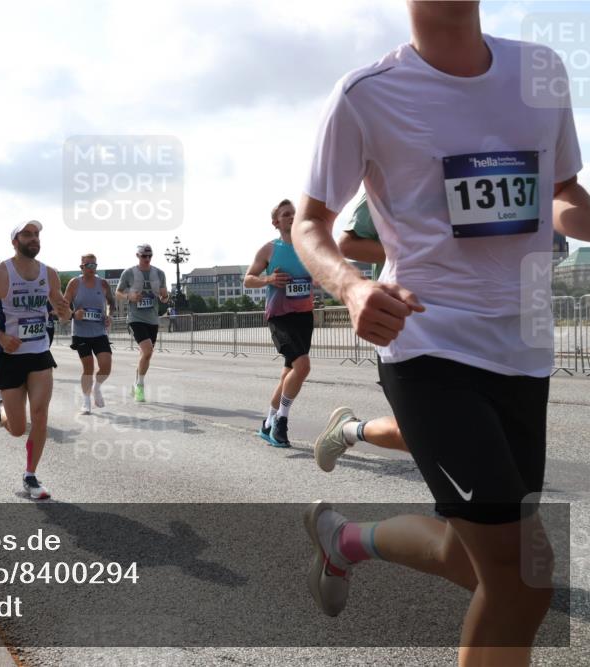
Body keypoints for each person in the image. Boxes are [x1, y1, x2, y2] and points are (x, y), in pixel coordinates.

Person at [292, 3, 587, 664]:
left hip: (525, 354)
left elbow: (563, 189)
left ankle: (346, 540)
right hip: (430, 346)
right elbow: (311, 224)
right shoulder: (366, 95)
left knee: (470, 557)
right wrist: (352, 286)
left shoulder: (541, 70)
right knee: (520, 583)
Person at [0, 221, 70, 499]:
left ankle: (31, 476)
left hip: (39, 352)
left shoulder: (50, 274)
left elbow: (62, 311)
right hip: (9, 355)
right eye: (27, 234)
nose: (34, 239)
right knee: (17, 429)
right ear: (14, 241)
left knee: (40, 416)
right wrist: (0, 336)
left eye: (37, 234)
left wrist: (65, 312)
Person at [314, 197, 408, 472]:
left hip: (486, 322)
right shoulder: (391, 169)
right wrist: (420, 253)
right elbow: (347, 243)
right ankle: (349, 430)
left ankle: (348, 431)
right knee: (432, 436)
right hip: (408, 322)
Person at [244, 199, 315, 447]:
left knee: (288, 373)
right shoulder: (269, 250)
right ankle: (281, 423)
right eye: (286, 215)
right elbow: (248, 280)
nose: (291, 217)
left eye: (294, 213)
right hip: (279, 316)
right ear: (276, 222)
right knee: (303, 367)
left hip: (304, 315)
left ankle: (267, 423)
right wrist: (270, 279)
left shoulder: (307, 247)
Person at [115, 243, 169, 402]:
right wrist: (128, 297)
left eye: (149, 256)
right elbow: (117, 293)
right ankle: (140, 386)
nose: (147, 259)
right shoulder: (129, 273)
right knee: (147, 351)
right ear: (137, 256)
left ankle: (135, 384)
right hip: (135, 318)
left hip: (152, 319)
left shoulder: (159, 273)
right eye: (144, 256)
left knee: (145, 356)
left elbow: (164, 298)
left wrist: (165, 296)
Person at [64, 253, 115, 414]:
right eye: (88, 265)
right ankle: (86, 401)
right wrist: (73, 314)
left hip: (99, 331)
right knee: (88, 368)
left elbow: (111, 303)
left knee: (106, 366)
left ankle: (97, 388)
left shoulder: (103, 283)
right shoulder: (74, 283)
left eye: (94, 265)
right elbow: (63, 306)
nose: (92, 268)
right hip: (81, 333)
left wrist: (109, 315)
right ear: (82, 267)